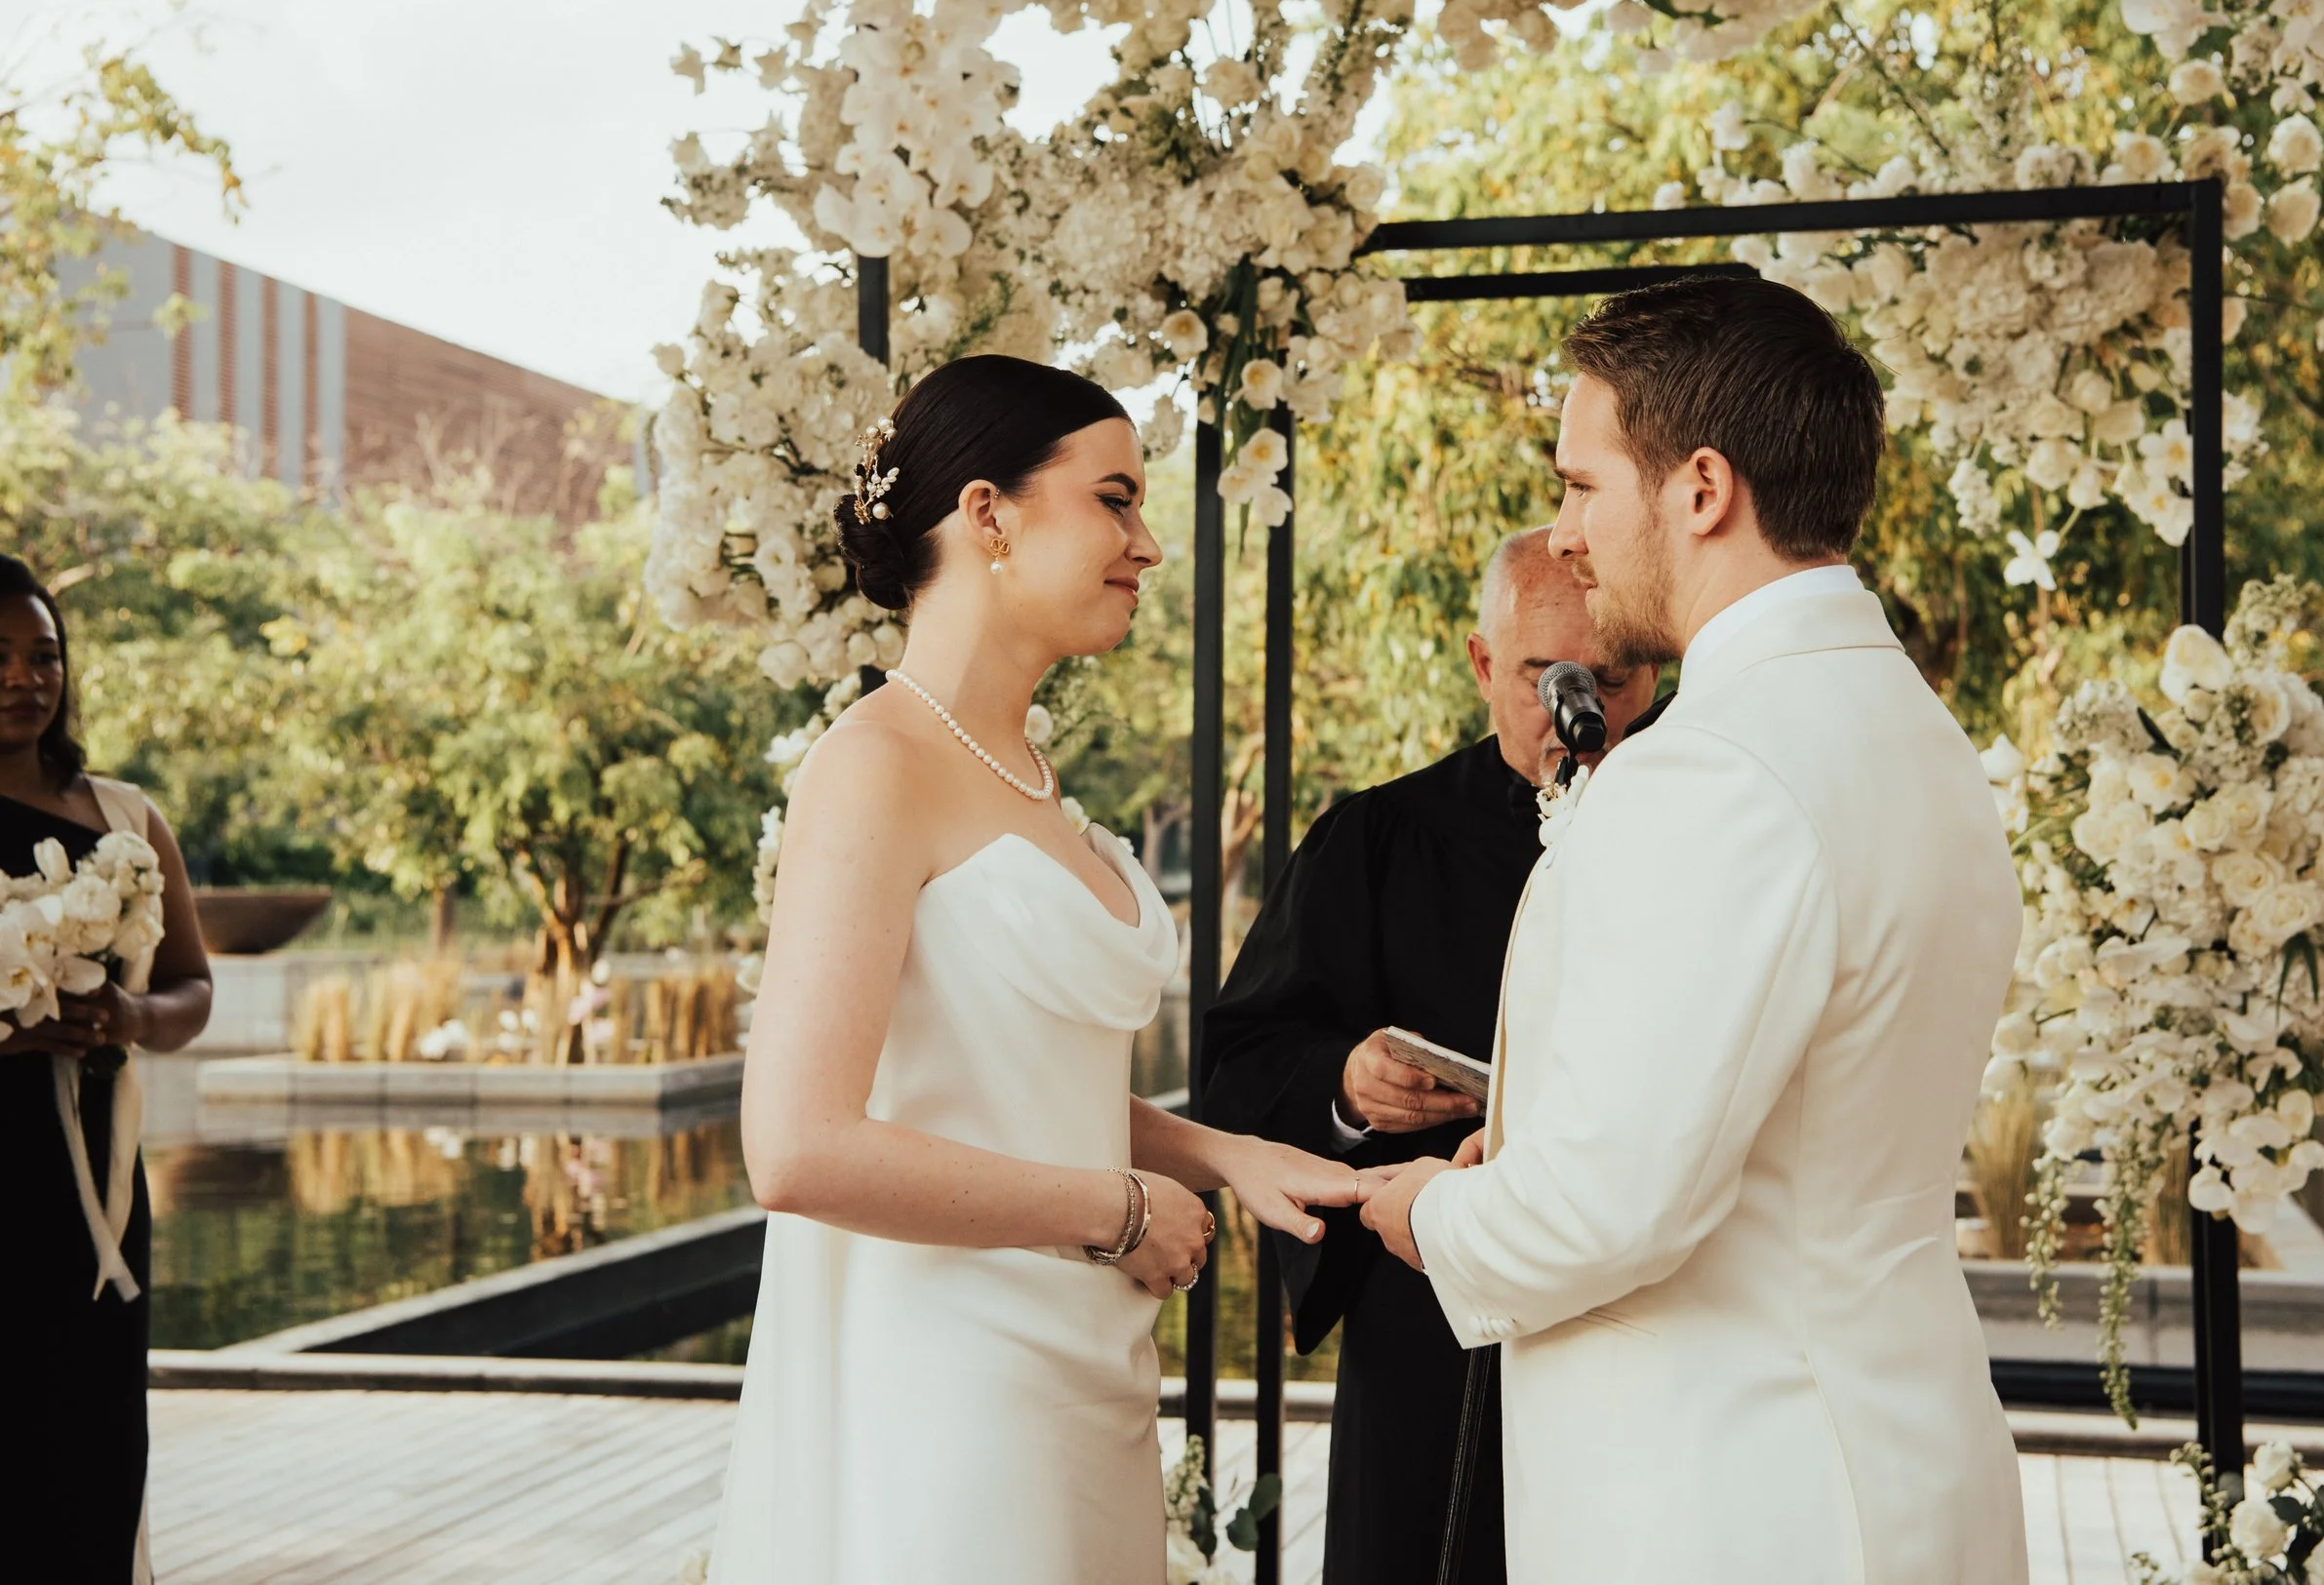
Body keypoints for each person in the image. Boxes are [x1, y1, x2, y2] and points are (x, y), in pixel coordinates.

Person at [1360, 277, 2030, 1583]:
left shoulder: (1716, 767)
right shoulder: (1913, 732)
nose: (1562, 536)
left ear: (1702, 487)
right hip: (1894, 1452)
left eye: (1581, 484)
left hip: (1736, 1496)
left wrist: (1434, 1211)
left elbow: (1607, 1214)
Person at [711, 356, 1375, 1585]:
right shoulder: (875, 767)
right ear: (987, 515)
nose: (1147, 544)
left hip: (1083, 1372)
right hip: (947, 1390)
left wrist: (1220, 1152)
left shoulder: (1026, 770)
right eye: (1115, 498)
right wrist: (1115, 1208)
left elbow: (1004, 1079)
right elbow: (796, 1147)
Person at [1200, 527, 1655, 1585]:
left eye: (1617, 676)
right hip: (1428, 1324)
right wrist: (1346, 1089)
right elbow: (1241, 1060)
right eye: (1550, 673)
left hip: (1639, 1326)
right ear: (1482, 663)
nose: (1582, 708)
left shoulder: (1707, 830)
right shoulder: (1373, 839)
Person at [0, 553, 214, 1585]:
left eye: (43, 654)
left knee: (87, 1447)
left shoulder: (127, 821)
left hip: (89, 1187)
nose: (23, 676)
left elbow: (194, 990)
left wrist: (130, 1012)